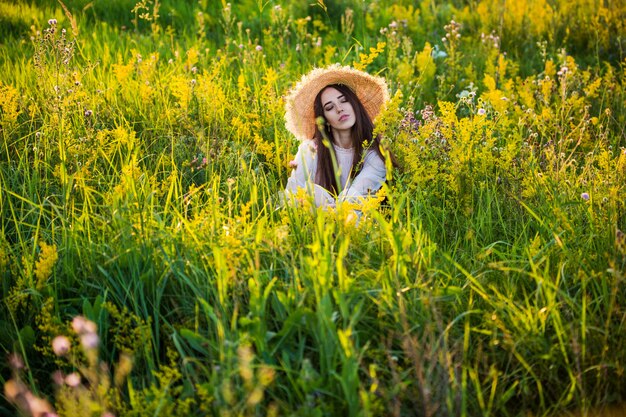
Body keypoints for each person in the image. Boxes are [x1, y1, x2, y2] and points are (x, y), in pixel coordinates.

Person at [284, 64, 391, 208]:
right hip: (313, 222)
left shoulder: (375, 152)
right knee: (313, 192)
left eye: (344, 100)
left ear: (355, 104)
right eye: (329, 107)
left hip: (355, 222)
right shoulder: (310, 149)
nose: (339, 109)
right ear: (325, 119)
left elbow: (356, 198)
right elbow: (292, 194)